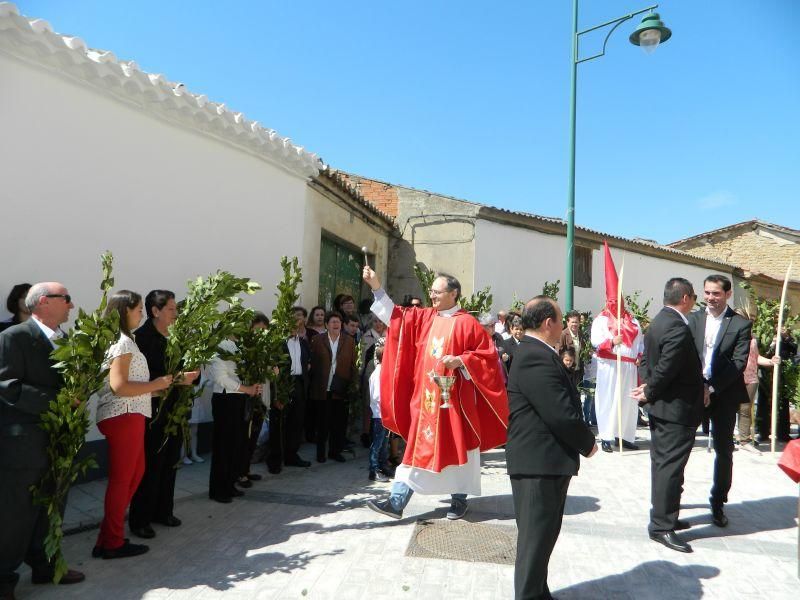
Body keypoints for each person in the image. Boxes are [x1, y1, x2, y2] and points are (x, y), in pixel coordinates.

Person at [363, 266, 508, 521]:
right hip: (426, 401)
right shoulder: (426, 317)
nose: (432, 296)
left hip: (456, 404)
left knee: (460, 453)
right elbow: (396, 316)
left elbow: (487, 359)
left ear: (453, 293)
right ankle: (396, 503)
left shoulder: (468, 324)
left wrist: (462, 361)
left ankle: (459, 501)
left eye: (437, 292)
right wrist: (376, 286)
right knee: (415, 452)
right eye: (431, 291)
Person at [506, 296, 597, 600]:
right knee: (534, 544)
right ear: (549, 324)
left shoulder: (539, 352)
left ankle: (538, 593)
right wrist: (588, 443)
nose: (564, 327)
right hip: (538, 465)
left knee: (542, 539)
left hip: (545, 462)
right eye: (560, 321)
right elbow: (558, 412)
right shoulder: (535, 355)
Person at [0, 282, 86, 596]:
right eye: (67, 299)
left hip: (58, 441)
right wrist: (61, 399)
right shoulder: (14, 337)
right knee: (15, 515)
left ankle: (46, 566)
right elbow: (8, 387)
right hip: (24, 445)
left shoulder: (67, 340)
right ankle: (4, 579)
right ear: (44, 302)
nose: (72, 306)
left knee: (53, 506)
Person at [94, 290, 172, 560]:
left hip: (132, 413)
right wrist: (156, 384)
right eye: (138, 308)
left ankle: (106, 538)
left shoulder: (125, 341)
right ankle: (113, 543)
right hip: (124, 414)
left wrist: (165, 386)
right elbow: (119, 386)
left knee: (134, 476)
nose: (141, 313)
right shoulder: (123, 343)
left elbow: (132, 386)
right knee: (123, 480)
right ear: (124, 310)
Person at [632, 278, 704, 553]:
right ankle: (661, 526)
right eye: (695, 296)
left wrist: (648, 386)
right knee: (669, 469)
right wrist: (649, 390)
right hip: (675, 410)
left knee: (667, 466)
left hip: (666, 408)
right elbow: (667, 367)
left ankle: (668, 514)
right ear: (685, 298)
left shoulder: (659, 321)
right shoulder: (675, 326)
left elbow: (646, 361)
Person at [128, 290, 199, 538]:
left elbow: (187, 372)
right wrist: (180, 378)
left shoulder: (177, 337)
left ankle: (163, 510)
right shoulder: (141, 339)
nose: (175, 314)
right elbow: (144, 379)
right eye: (170, 309)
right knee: (151, 463)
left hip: (176, 408)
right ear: (155, 311)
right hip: (152, 409)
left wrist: (193, 374)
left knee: (170, 460)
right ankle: (140, 519)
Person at [688, 274, 752, 528]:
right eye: (707, 293)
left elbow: (738, 363)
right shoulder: (692, 319)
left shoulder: (740, 325)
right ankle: (671, 500)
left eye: (715, 293)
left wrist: (712, 388)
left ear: (727, 295)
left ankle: (718, 502)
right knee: (681, 446)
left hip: (723, 394)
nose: (710, 298)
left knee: (724, 450)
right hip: (693, 391)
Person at [591, 242, 644, 452]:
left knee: (628, 402)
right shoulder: (601, 321)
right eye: (612, 300)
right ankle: (606, 436)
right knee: (609, 399)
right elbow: (596, 343)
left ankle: (626, 435)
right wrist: (612, 342)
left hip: (630, 367)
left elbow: (640, 341)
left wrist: (640, 354)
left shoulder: (633, 322)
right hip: (610, 366)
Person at [206, 333, 262, 502]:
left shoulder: (240, 346)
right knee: (223, 447)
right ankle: (218, 490)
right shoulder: (220, 345)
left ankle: (229, 485)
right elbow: (221, 378)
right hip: (225, 400)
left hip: (238, 399)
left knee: (236, 445)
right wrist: (247, 389)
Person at [267, 307, 311, 474]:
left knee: (296, 422)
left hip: (299, 384)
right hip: (282, 384)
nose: (295, 323)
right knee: (278, 423)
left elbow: (307, 364)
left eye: (298, 320)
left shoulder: (304, 343)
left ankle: (291, 455)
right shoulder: (278, 343)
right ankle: (275, 459)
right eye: (292, 320)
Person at [309, 311, 357, 463]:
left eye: (338, 322)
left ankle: (335, 451)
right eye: (332, 322)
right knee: (322, 423)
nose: (336, 324)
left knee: (338, 423)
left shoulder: (349, 341)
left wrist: (352, 384)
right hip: (322, 387)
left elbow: (353, 365)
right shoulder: (317, 340)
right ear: (327, 325)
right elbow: (313, 363)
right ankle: (320, 453)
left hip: (340, 387)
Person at [734, 306, 779, 448]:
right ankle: (726, 437)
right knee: (729, 408)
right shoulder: (730, 336)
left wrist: (771, 361)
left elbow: (756, 357)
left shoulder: (752, 337)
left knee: (746, 409)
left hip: (751, 377)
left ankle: (744, 439)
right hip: (734, 376)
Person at [368, 341, 391, 482]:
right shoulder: (378, 374)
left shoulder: (383, 371)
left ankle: (383, 466)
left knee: (383, 443)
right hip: (380, 414)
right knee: (377, 443)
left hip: (385, 414)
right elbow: (377, 396)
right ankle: (373, 469)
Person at [557, 310, 584, 382]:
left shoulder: (581, 334)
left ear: (579, 323)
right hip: (567, 371)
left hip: (578, 370)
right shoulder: (563, 334)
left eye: (576, 322)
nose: (574, 324)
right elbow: (558, 353)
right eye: (572, 322)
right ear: (567, 322)